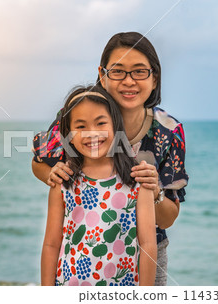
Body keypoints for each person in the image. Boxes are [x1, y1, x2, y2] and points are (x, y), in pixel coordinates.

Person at [33, 32, 188, 285]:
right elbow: (40, 162)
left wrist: (154, 190)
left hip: (146, 255)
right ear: (103, 76)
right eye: (118, 71)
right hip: (82, 254)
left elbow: (168, 217)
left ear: (154, 77)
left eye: (139, 71)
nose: (129, 81)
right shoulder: (78, 110)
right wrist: (55, 174)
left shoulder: (169, 131)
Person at [41, 85, 157, 286]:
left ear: (116, 125)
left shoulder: (137, 180)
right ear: (68, 134)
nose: (91, 134)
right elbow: (51, 244)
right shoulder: (63, 181)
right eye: (81, 126)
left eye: (100, 123)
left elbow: (148, 245)